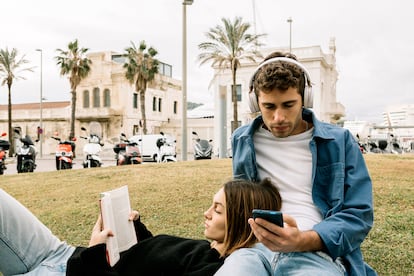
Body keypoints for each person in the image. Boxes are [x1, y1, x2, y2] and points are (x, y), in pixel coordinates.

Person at [222, 52, 376, 275]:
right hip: (253, 251)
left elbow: (358, 214)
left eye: (288, 105)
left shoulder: (340, 141)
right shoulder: (242, 139)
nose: (279, 117)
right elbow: (241, 202)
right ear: (256, 102)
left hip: (316, 252)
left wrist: (302, 240)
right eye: (269, 107)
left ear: (306, 99)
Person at [0, 177, 282, 276]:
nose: (206, 213)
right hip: (60, 254)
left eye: (217, 210)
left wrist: (95, 254)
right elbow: (157, 258)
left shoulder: (213, 269)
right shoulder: (206, 248)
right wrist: (135, 228)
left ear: (240, 221)